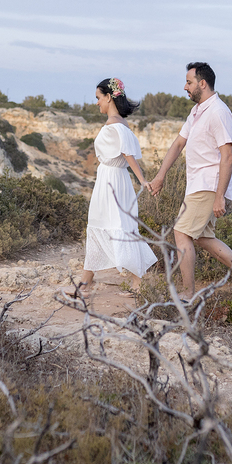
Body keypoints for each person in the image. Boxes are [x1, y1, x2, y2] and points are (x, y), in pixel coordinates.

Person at [147, 62, 232, 299]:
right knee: (203, 237)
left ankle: (188, 293)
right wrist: (160, 176)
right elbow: (179, 143)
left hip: (208, 184)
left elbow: (228, 155)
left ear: (202, 83)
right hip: (197, 184)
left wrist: (220, 196)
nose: (185, 87)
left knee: (181, 233)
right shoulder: (197, 111)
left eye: (188, 82)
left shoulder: (218, 112)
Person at [72, 77, 157, 298]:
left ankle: (136, 284)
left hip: (112, 181)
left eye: (98, 98)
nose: (97, 102)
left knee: (116, 226)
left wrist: (142, 179)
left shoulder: (114, 125)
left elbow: (128, 153)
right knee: (105, 225)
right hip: (113, 179)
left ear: (109, 97)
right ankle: (86, 284)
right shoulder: (121, 124)